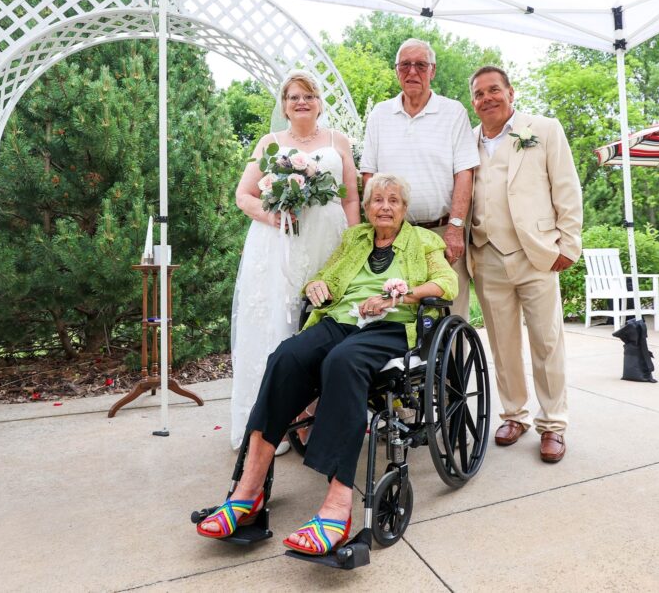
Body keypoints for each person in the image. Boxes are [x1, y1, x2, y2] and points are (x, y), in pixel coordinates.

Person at [196, 174, 457, 555]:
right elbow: (328, 277)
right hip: (340, 319)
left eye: (393, 201)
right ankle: (248, 491)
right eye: (377, 200)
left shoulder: (424, 241)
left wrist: (402, 295)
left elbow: (446, 283)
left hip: (390, 326)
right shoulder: (354, 239)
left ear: (404, 209)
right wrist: (318, 287)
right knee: (286, 357)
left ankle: (338, 503)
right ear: (366, 208)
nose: (384, 206)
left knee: (342, 362)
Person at [229, 70, 361, 451]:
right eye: (293, 97)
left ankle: (316, 415)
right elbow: (244, 195)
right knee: (281, 323)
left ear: (319, 103)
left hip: (329, 241)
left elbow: (351, 197)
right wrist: (274, 216)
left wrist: (353, 244)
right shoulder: (270, 143)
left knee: (322, 323)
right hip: (279, 246)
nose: (301, 102)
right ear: (284, 106)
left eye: (309, 96)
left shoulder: (340, 142)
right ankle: (275, 422)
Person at [465, 65, 582, 463]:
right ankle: (514, 414)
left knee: (547, 341)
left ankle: (553, 424)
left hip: (537, 253)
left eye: (494, 90)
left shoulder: (543, 129)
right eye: (479, 94)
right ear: (474, 102)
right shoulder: (467, 142)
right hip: (487, 255)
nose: (487, 98)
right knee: (502, 344)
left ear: (510, 93)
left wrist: (569, 242)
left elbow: (566, 187)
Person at [359, 38, 478, 319]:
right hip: (394, 235)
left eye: (421, 65)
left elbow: (465, 173)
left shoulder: (453, 112)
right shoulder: (380, 114)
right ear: (396, 70)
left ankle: (454, 365)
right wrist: (379, 227)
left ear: (433, 71)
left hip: (441, 233)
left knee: (449, 312)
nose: (413, 72)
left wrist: (456, 228)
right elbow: (369, 174)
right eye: (405, 65)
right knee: (397, 312)